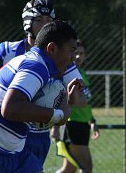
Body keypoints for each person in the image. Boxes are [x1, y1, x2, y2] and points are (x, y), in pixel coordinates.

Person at [0, 20, 82, 172]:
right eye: (71, 50)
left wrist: (66, 100)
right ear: (52, 48)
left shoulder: (42, 67)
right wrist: (56, 114)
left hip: (12, 155)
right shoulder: (36, 66)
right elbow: (11, 108)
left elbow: (60, 116)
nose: (74, 57)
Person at [51, 40, 100, 173]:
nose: (78, 56)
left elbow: (85, 104)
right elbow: (58, 100)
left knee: (69, 168)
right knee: (86, 166)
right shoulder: (65, 74)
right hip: (71, 125)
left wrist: (92, 121)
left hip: (82, 124)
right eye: (75, 53)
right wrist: (55, 127)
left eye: (81, 53)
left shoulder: (81, 73)